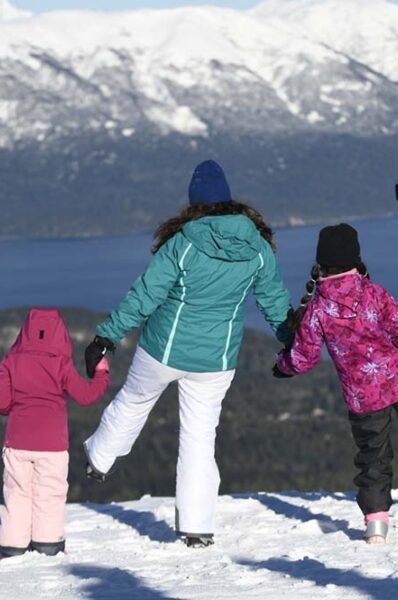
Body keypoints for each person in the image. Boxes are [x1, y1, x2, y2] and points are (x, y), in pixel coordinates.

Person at [82, 160, 291, 548]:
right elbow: (275, 303)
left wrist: (105, 338)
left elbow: (145, 295)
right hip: (216, 361)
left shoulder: (183, 243)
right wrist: (293, 344)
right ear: (229, 201)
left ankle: (99, 458)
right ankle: (196, 526)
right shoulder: (258, 248)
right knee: (198, 438)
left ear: (195, 203)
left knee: (133, 401)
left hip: (163, 349)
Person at [275, 224, 398, 544]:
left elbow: (305, 357)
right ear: (356, 259)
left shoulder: (318, 309)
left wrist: (283, 366)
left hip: (363, 398)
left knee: (374, 456)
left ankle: (376, 523)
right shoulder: (375, 294)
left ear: (320, 264)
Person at [0, 308, 110, 558]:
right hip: (52, 445)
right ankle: (47, 543)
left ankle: (12, 545)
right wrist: (101, 373)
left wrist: (0, 389)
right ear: (60, 334)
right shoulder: (61, 364)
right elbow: (86, 397)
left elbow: (0, 403)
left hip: (17, 441)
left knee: (17, 493)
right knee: (49, 494)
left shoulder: (12, 361)